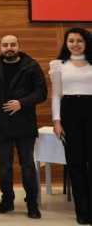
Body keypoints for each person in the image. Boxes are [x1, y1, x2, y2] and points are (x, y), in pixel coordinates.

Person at [0, 35, 46, 219]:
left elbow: (41, 93)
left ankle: (32, 204)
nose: (9, 48)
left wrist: (22, 102)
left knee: (27, 165)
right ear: (1, 47)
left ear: (19, 46)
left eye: (13, 44)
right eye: (5, 45)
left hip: (25, 123)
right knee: (4, 166)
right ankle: (7, 201)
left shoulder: (31, 65)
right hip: (0, 124)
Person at [50, 28, 92, 225]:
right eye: (71, 40)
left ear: (86, 43)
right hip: (70, 112)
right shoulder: (58, 65)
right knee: (75, 163)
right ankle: (82, 212)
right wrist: (57, 121)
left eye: (79, 40)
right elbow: (56, 95)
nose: (75, 44)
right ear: (66, 43)